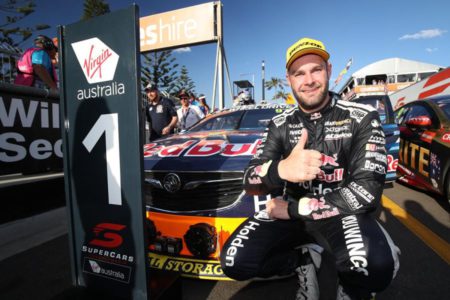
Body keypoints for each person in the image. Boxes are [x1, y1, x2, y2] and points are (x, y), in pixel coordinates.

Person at [220, 37, 400, 300]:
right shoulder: (280, 124)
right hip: (291, 215)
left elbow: (367, 190)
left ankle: (350, 285)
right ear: (289, 80)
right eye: (299, 73)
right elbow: (250, 179)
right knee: (235, 262)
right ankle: (302, 262)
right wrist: (279, 170)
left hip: (342, 213)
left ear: (328, 70)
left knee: (375, 267)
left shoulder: (361, 116)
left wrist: (294, 209)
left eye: (316, 69)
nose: (309, 80)